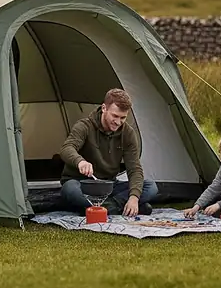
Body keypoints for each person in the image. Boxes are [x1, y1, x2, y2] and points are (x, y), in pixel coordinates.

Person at [59, 88, 158, 217]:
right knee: (70, 189)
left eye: (123, 117)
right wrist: (80, 162)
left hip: (108, 186)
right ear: (104, 108)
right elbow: (66, 148)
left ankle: (103, 208)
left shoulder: (127, 133)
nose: (118, 122)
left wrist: (134, 198)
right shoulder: (84, 126)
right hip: (83, 184)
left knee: (150, 187)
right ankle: (119, 208)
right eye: (115, 116)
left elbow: (134, 169)